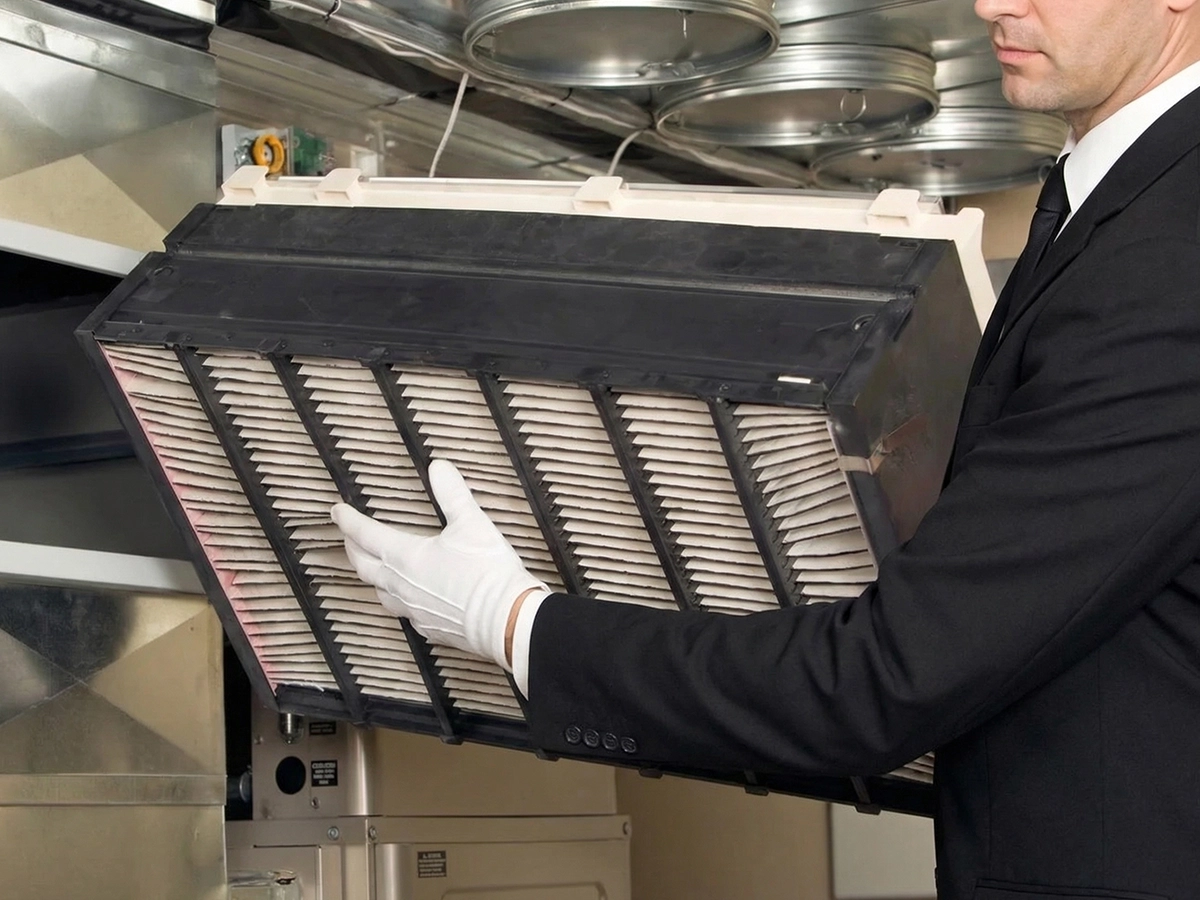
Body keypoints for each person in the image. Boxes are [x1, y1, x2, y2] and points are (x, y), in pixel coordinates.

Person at [332, 1, 1200, 896]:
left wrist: (514, 623)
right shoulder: (1126, 211)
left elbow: (884, 680)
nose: (992, 5)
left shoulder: (1170, 260)